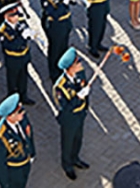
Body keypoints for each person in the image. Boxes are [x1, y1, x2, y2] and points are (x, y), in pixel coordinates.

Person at [53, 48, 90, 181]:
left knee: (78, 139)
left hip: (80, 115)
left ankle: (76, 158)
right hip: (69, 119)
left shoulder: (80, 74)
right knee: (68, 143)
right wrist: (79, 97)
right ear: (70, 67)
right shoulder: (60, 87)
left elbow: (85, 90)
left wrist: (85, 107)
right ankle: (67, 165)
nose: (81, 64)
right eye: (78, 62)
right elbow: (66, 107)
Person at [40, 0, 78, 81]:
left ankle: (63, 67)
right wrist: (65, 2)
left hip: (65, 23)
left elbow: (70, 3)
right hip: (55, 26)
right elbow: (54, 13)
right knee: (55, 49)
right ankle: (54, 73)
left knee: (63, 47)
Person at [0, 93, 35, 188]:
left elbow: (29, 135)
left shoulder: (22, 119)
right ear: (10, 116)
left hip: (25, 165)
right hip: (13, 172)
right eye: (20, 111)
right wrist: (4, 184)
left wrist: (32, 153)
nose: (23, 112)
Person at [0, 5, 37, 105]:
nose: (16, 17)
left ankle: (23, 96)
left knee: (23, 78)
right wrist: (22, 38)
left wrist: (29, 34)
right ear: (6, 17)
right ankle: (12, 101)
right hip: (13, 59)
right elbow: (9, 45)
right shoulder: (3, 31)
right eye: (13, 15)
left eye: (17, 15)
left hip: (23, 56)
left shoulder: (20, 23)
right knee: (13, 81)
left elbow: (26, 29)